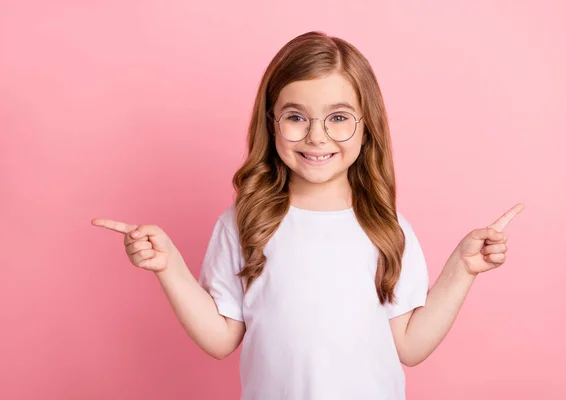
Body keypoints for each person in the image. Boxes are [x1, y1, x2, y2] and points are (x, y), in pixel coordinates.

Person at [91, 31, 524, 400]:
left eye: (338, 118)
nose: (317, 136)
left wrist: (462, 270)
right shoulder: (244, 224)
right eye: (296, 117)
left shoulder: (387, 229)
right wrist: (169, 268)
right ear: (271, 121)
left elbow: (409, 345)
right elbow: (222, 338)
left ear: (366, 126)